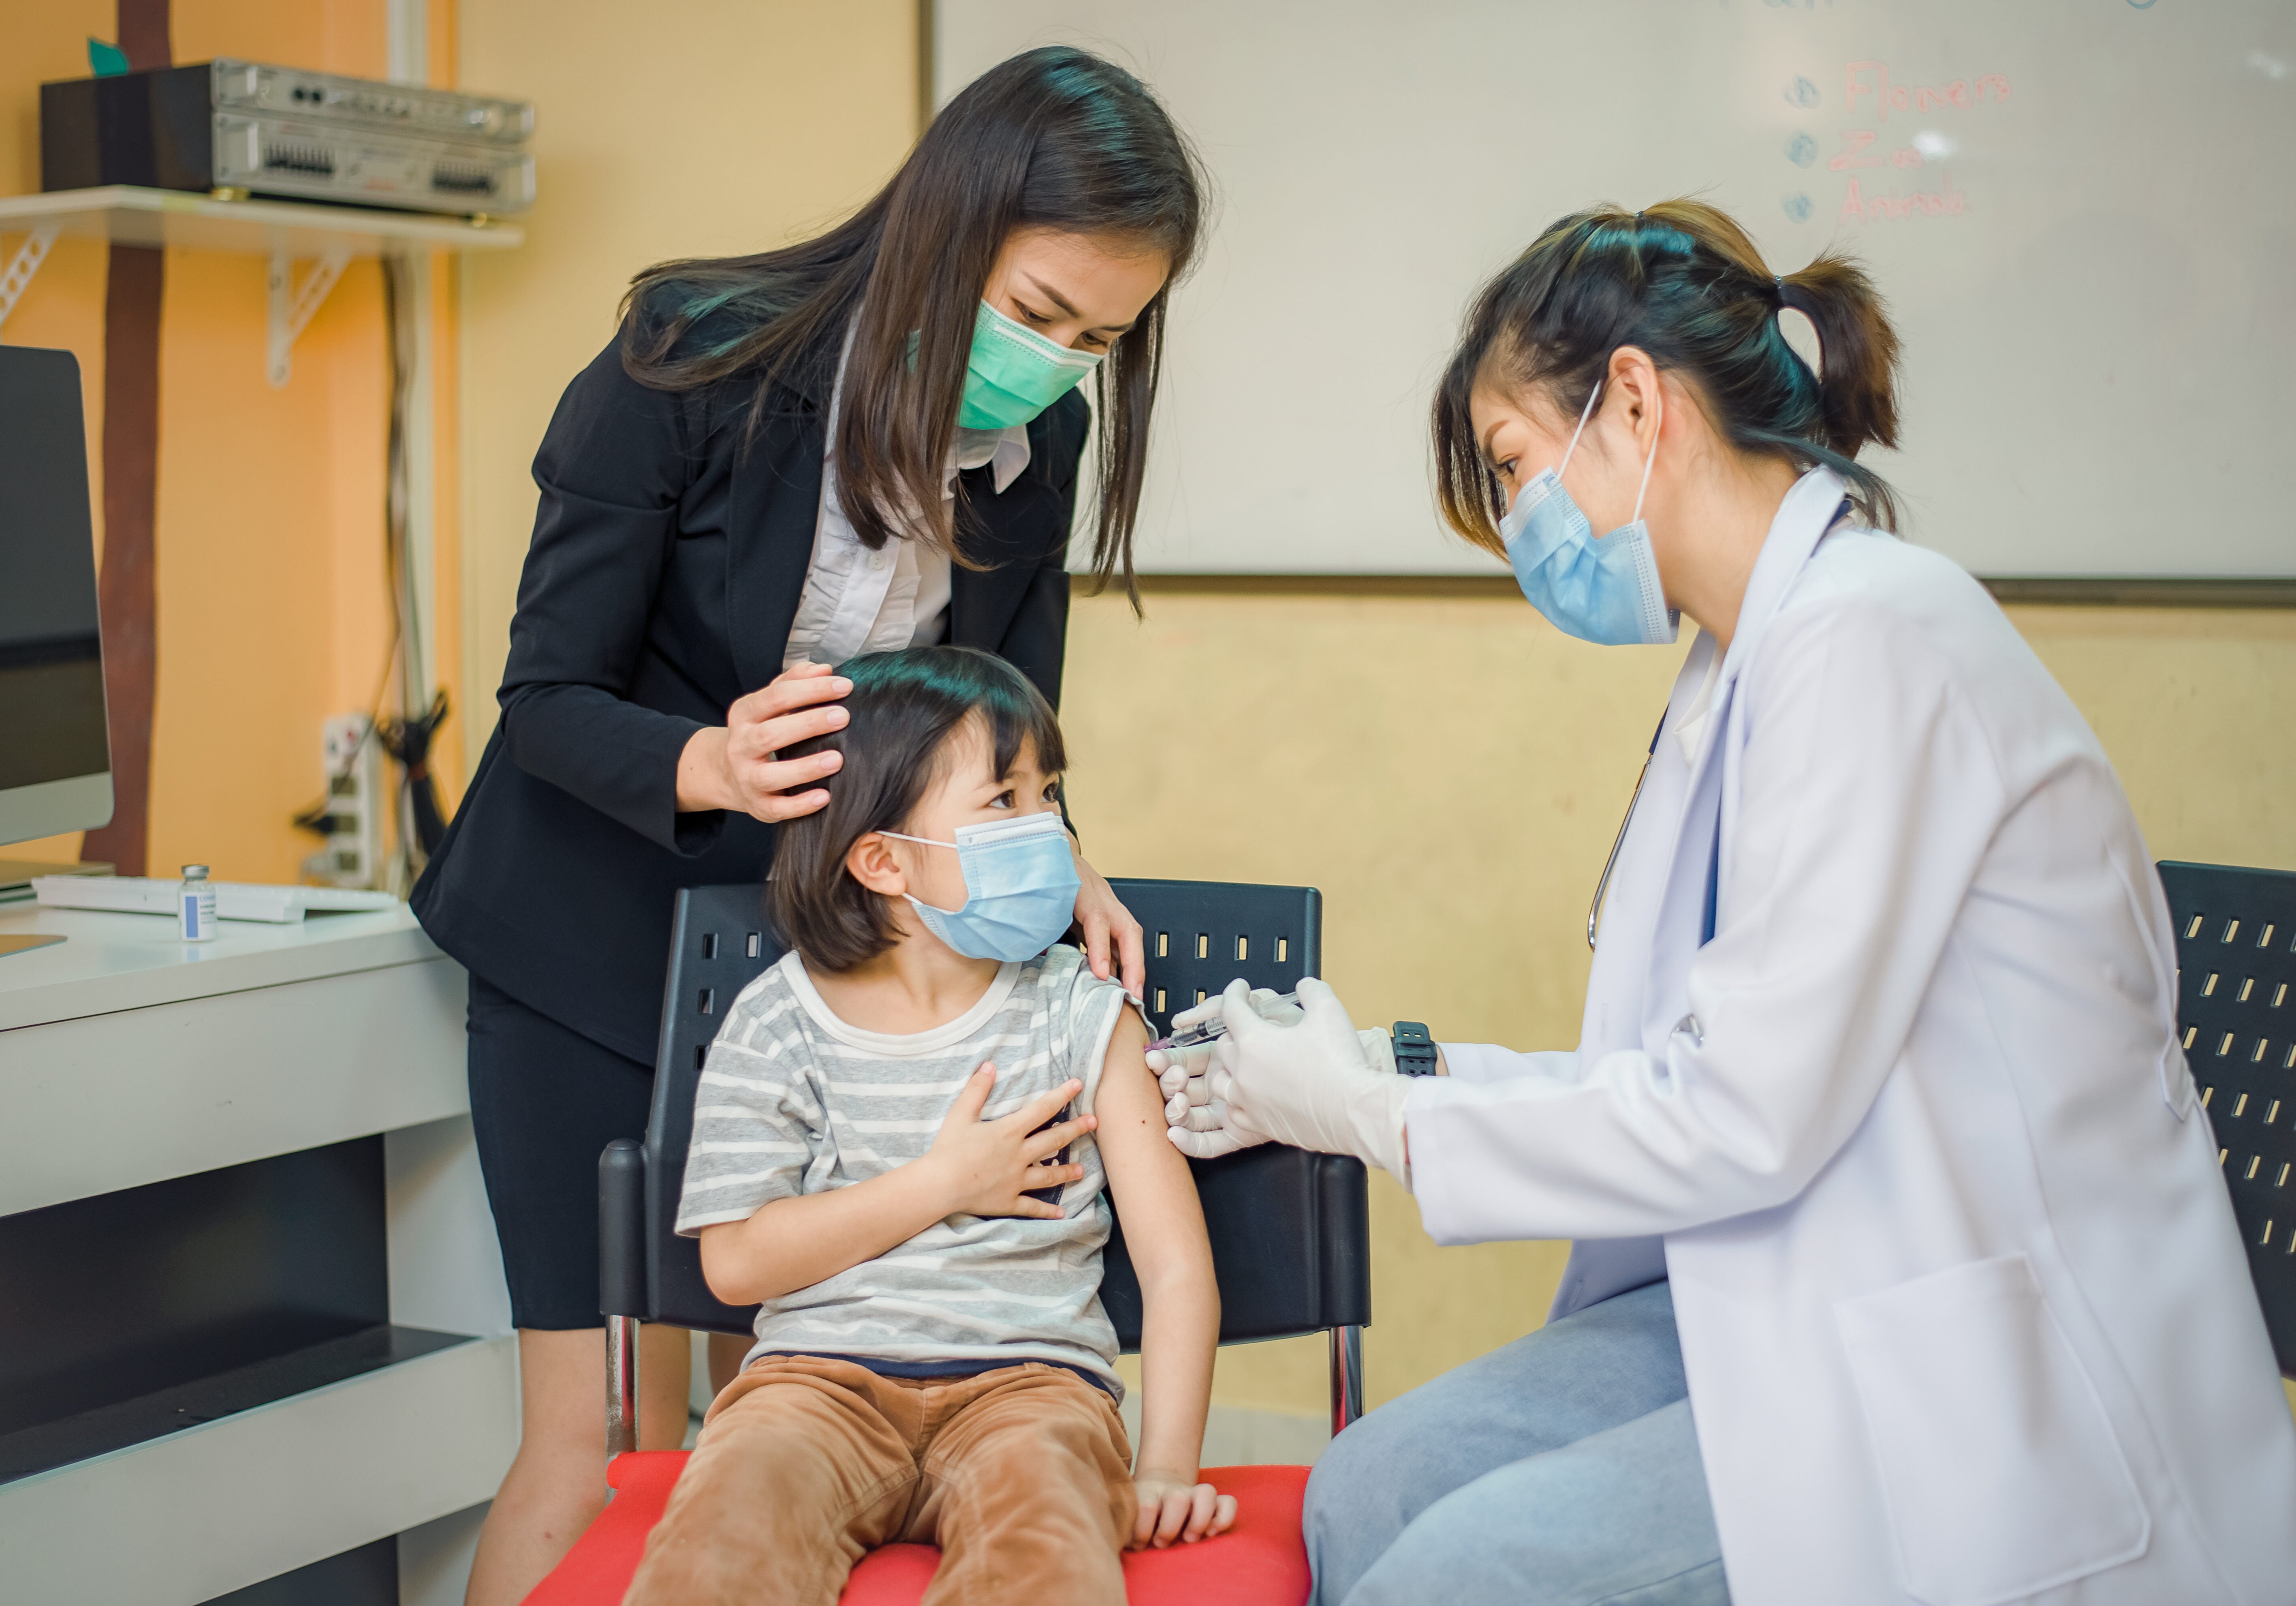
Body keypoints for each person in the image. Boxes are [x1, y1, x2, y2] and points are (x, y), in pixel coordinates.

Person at [1156, 199, 2296, 1606]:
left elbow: (1738, 1115)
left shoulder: (1874, 640)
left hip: (1975, 1365)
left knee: (1455, 1573)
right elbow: (1691, 1064)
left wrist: (1371, 1114)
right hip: (1798, 1268)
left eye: (1514, 468)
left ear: (1631, 402)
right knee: (1362, 1485)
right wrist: (1386, 1069)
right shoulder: (1736, 667)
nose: (1518, 529)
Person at [408, 48, 1205, 1602]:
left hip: (804, 961)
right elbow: (545, 694)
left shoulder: (1035, 447)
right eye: (1039, 313)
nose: (1056, 363)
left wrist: (1063, 848)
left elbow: (1004, 718)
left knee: (757, 1418)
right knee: (603, 1435)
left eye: (1098, 340)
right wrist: (707, 760)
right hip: (584, 942)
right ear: (947, 224)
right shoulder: (689, 359)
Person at [622, 646, 1236, 1605]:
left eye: (1049, 793)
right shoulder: (774, 1021)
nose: (1049, 831)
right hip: (809, 1387)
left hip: (1032, 1393)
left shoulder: (1082, 1011)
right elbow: (737, 1262)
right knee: (714, 1553)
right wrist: (943, 1182)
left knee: (1046, 1564)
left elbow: (1175, 1267)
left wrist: (1162, 1466)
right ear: (882, 858)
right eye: (1003, 801)